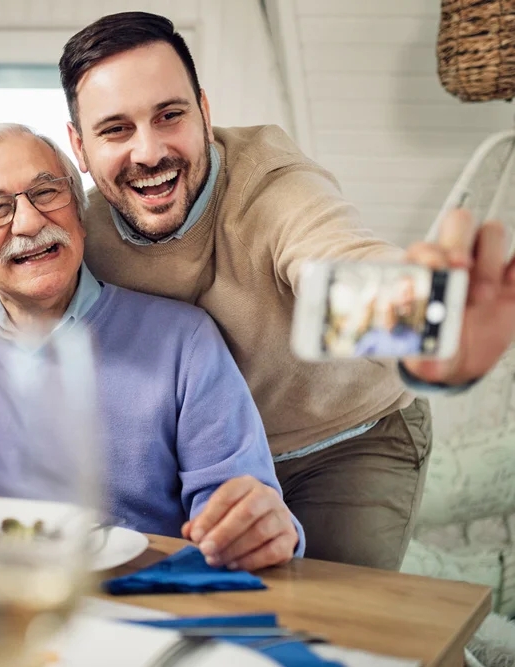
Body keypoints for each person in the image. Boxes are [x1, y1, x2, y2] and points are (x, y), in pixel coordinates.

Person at [58, 11, 515, 569]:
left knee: (334, 620)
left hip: (347, 440)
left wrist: (428, 325)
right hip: (212, 459)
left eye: (169, 115)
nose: (150, 152)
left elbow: (338, 266)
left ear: (203, 112)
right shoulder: (85, 229)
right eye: (116, 130)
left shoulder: (273, 187)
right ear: (79, 148)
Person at [0, 124, 305, 571]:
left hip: (132, 598)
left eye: (46, 193)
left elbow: (244, 504)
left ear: (81, 216)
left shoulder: (185, 340)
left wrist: (259, 527)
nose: (28, 222)